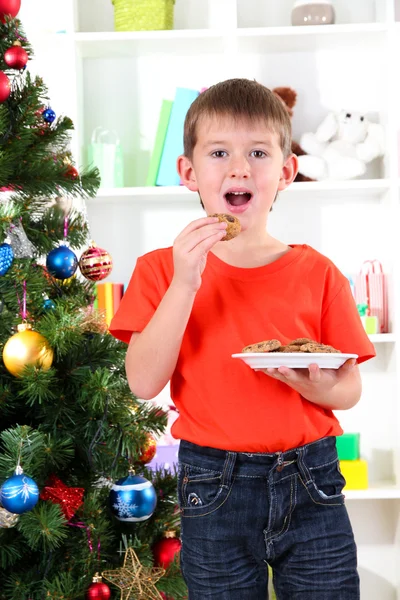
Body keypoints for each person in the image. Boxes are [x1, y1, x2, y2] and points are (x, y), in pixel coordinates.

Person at [109, 78, 376, 600]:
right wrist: (187, 281)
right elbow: (143, 382)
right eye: (219, 153)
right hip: (213, 484)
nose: (240, 168)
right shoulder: (162, 270)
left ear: (286, 172)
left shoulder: (317, 272)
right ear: (189, 173)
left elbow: (349, 389)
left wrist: (308, 385)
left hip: (312, 478)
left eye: (258, 152)